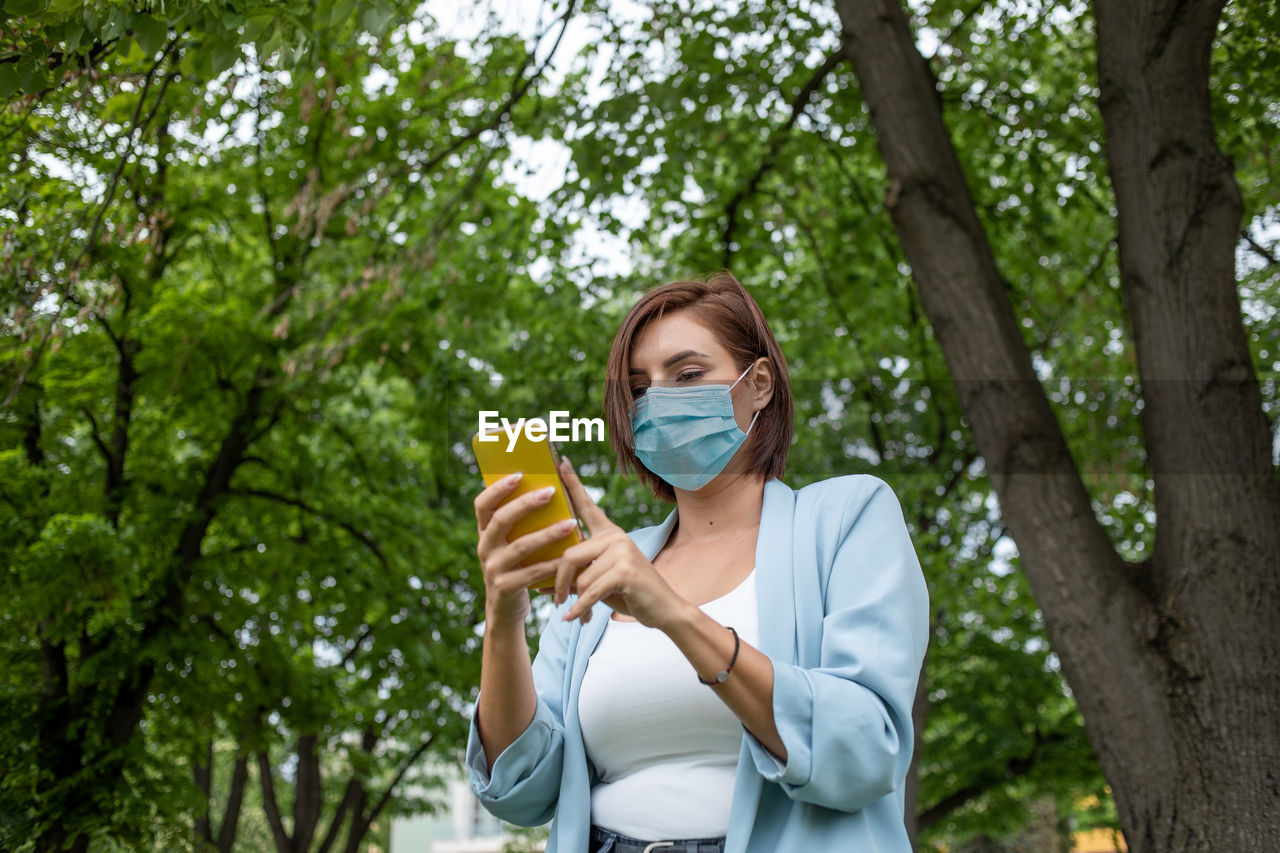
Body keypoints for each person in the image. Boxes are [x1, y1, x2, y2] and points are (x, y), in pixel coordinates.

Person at [466, 272, 930, 853]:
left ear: (758, 383)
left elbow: (864, 750)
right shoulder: (608, 563)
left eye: (688, 375)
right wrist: (503, 609)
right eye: (639, 388)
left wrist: (675, 615)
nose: (657, 399)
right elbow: (519, 790)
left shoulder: (848, 516)